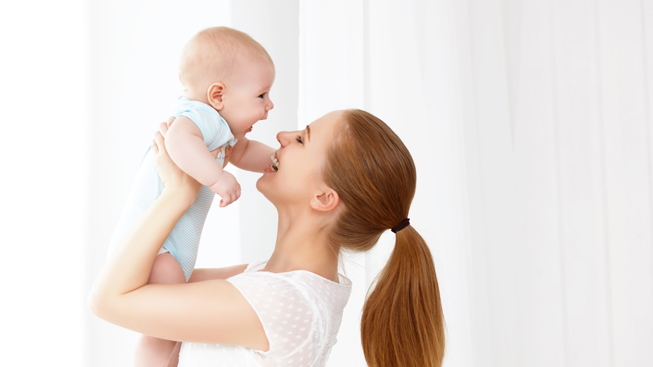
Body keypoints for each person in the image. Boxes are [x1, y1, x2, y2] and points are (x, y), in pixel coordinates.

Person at [89, 109, 446, 367]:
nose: (282, 137)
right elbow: (139, 280)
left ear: (323, 198)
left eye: (302, 139)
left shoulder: (279, 301)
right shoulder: (273, 282)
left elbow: (110, 299)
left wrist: (178, 195)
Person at [106, 26, 276, 364]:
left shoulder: (221, 130)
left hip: (165, 245)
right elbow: (178, 140)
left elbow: (244, 151)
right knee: (162, 330)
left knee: (172, 330)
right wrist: (216, 177)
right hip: (159, 246)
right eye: (261, 95)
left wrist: (276, 161)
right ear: (217, 95)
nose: (270, 105)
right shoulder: (201, 117)